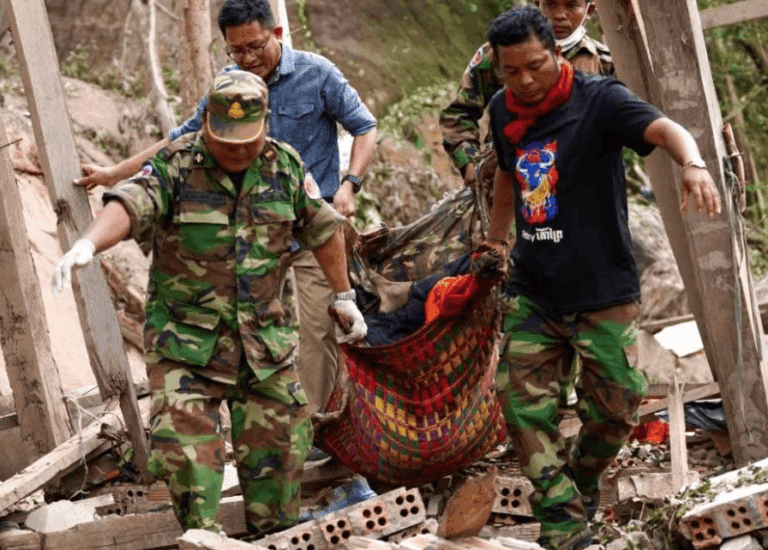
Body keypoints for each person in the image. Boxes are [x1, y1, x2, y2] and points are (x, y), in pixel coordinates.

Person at [52, 71, 367, 536]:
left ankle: (270, 540)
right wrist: (88, 244)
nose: (237, 151)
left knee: (281, 459)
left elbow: (323, 229)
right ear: (206, 126)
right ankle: (201, 540)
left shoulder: (284, 166)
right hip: (187, 347)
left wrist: (344, 296)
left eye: (247, 141)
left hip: (264, 346)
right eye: (226, 141)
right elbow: (132, 203)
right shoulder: (176, 165)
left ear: (265, 126)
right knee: (186, 461)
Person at [476, 6, 721, 550]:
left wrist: (694, 163)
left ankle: (582, 481)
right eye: (511, 71)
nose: (524, 81)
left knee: (618, 406)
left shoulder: (600, 100)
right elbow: (507, 176)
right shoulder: (502, 109)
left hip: (602, 289)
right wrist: (496, 241)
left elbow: (665, 129)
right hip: (534, 291)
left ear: (555, 53)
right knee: (521, 407)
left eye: (534, 66)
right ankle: (563, 526)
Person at [74, 0, 378, 417]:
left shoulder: (317, 74)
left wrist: (350, 185)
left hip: (312, 225)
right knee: (243, 327)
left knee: (319, 329)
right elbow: (180, 140)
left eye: (255, 47)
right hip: (255, 233)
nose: (247, 59)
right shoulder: (228, 88)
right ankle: (253, 416)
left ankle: (314, 428)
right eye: (237, 51)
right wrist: (114, 173)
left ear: (277, 34)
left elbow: (365, 126)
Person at [439, 0, 612, 192]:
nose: (560, 15)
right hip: (506, 185)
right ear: (538, 4)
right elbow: (459, 113)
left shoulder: (605, 62)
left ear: (589, 10)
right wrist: (469, 163)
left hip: (579, 188)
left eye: (571, 6)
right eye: (551, 5)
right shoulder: (501, 52)